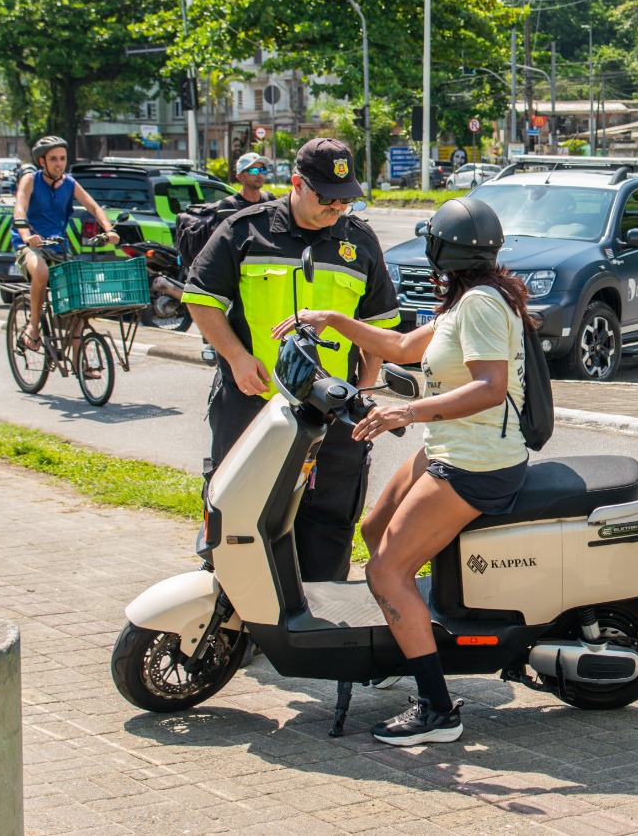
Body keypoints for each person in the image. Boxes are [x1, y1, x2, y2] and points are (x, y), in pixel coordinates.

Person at [273, 196, 528, 746]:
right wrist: (332, 319)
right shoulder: (465, 300)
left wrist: (408, 410)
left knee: (386, 571)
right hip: (451, 446)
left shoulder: (481, 304)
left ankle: (438, 710)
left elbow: (491, 387)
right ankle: (405, 639)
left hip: (474, 460)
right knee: (371, 531)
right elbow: (404, 346)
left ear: (441, 249)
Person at [182, 137, 399, 582]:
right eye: (326, 199)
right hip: (253, 404)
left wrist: (366, 386)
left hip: (334, 413)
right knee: (240, 519)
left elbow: (380, 326)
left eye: (345, 199)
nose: (336, 208)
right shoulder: (244, 231)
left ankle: (318, 625)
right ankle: (233, 628)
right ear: (296, 184)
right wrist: (238, 359)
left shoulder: (359, 242)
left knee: (328, 523)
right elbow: (200, 299)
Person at [10, 136, 121, 349]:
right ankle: (33, 327)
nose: (59, 163)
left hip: (58, 246)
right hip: (30, 245)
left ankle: (81, 362)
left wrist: (108, 230)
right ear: (42, 162)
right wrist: (25, 235)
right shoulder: (31, 180)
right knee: (41, 272)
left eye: (62, 158)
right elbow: (20, 208)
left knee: (78, 301)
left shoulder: (69, 183)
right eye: (53, 159)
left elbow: (94, 207)